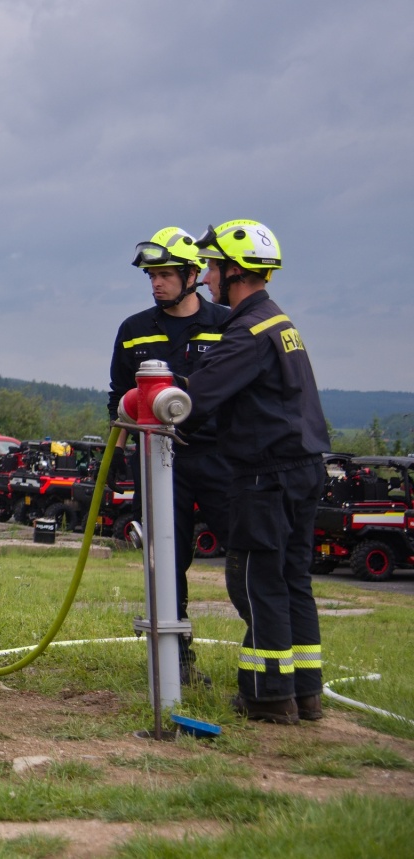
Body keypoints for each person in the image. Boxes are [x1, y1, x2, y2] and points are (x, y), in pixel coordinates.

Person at [182, 219, 328, 725]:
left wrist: (154, 398)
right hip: (304, 469)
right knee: (292, 581)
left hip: (266, 476)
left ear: (233, 272)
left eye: (212, 267)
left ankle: (267, 698)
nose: (206, 276)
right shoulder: (279, 322)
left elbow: (194, 399)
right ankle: (305, 693)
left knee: (254, 581)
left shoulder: (246, 333)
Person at [108, 227, 232, 686]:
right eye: (151, 276)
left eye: (164, 274)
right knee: (164, 559)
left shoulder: (226, 323)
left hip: (220, 457)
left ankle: (265, 657)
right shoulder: (134, 330)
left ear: (193, 275)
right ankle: (176, 660)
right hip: (159, 460)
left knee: (243, 548)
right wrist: (121, 452)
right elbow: (117, 397)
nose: (156, 283)